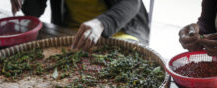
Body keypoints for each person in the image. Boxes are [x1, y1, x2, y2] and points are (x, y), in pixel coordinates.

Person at [10, 0, 150, 50]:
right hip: (71, 33)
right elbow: (33, 12)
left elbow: (132, 3)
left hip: (119, 31)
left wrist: (101, 23)